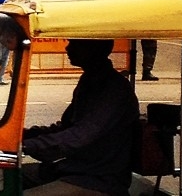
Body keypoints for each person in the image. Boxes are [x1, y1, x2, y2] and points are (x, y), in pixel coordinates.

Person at [22, 39, 139, 195]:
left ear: (94, 49)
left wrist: (28, 146)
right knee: (3, 177)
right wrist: (22, 135)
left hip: (97, 179)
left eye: (76, 44)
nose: (68, 48)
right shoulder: (89, 80)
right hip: (73, 169)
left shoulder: (114, 89)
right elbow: (66, 126)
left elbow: (79, 136)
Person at [140, 0, 158, 81]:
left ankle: (146, 71)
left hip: (143, 27)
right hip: (149, 28)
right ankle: (147, 71)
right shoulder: (151, 0)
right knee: (150, 50)